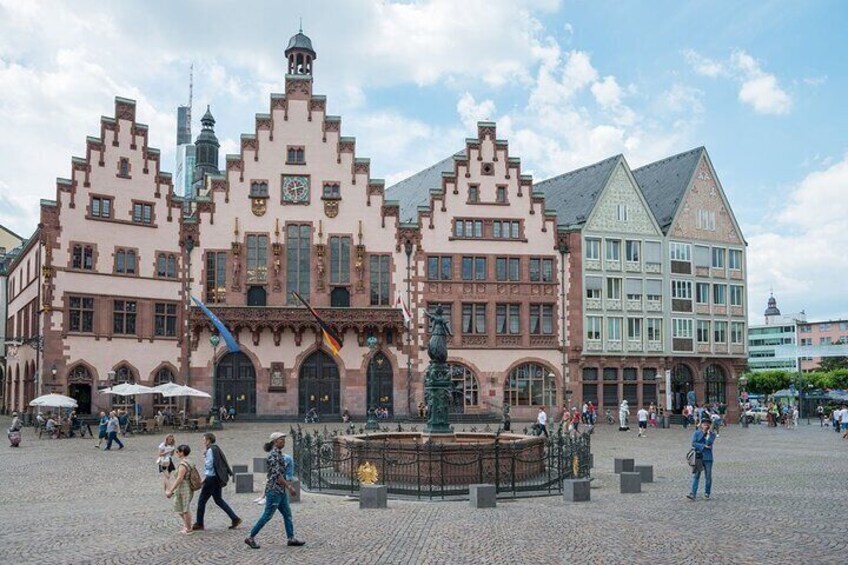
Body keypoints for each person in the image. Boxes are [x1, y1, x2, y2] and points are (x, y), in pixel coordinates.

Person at [244, 432, 305, 549]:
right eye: (281, 440)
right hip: (274, 491)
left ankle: (291, 538)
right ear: (275, 442)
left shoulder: (279, 454)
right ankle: (250, 537)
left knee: (287, 514)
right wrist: (290, 487)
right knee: (267, 515)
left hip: (280, 491)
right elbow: (278, 476)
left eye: (284, 439)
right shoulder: (273, 456)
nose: (284, 442)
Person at [192, 433, 240, 531]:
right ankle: (234, 518)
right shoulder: (216, 448)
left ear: (209, 440)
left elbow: (210, 465)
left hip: (211, 478)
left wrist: (205, 477)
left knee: (201, 501)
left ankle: (199, 523)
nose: (203, 442)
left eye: (204, 440)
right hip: (217, 478)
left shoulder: (210, 450)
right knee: (218, 500)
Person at [165, 444, 196, 534]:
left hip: (184, 487)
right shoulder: (190, 461)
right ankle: (187, 524)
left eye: (177, 452)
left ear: (182, 453)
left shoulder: (183, 464)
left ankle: (188, 528)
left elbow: (180, 478)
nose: (176, 453)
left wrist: (171, 490)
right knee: (180, 507)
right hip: (186, 487)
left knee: (184, 508)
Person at [687, 418, 715, 500]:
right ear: (701, 425)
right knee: (696, 475)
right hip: (698, 457)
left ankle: (707, 493)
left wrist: (707, 435)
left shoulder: (712, 434)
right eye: (704, 424)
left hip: (708, 458)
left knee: (708, 476)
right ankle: (693, 493)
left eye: (707, 424)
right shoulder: (697, 433)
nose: (705, 426)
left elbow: (709, 443)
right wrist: (703, 446)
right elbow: (693, 443)